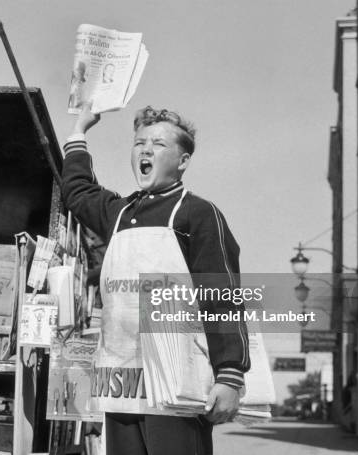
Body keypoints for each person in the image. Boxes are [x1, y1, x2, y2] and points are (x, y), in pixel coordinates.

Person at [61, 104, 250, 455]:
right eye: (139, 143)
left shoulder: (198, 213)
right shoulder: (119, 214)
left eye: (159, 144)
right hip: (121, 382)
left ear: (183, 161)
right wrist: (79, 130)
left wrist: (229, 375)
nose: (146, 149)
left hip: (176, 383)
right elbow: (77, 193)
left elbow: (221, 297)